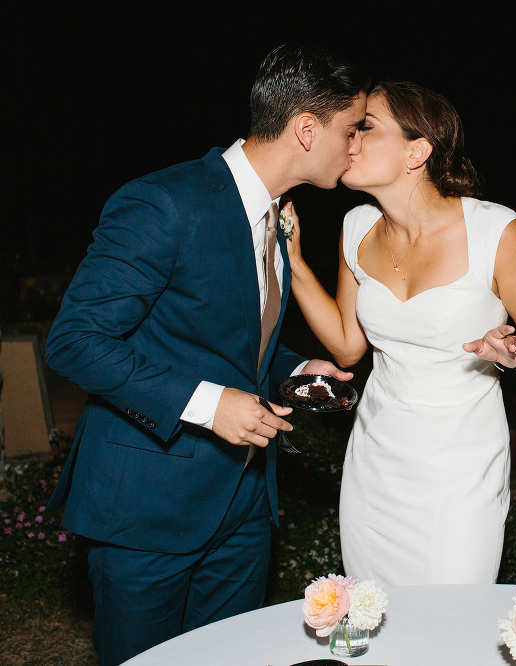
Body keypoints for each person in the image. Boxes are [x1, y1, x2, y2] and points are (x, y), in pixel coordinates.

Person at [43, 45, 368, 665]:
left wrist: (295, 368)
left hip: (243, 505)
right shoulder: (164, 203)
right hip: (148, 507)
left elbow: (229, 339)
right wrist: (208, 404)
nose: (354, 145)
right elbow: (76, 340)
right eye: (349, 130)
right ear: (306, 129)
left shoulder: (278, 218)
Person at [283, 81, 516, 585]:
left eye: (366, 128)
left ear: (418, 150)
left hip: (462, 460)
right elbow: (349, 344)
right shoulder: (356, 227)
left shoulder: (496, 231)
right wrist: (296, 262)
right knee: (372, 606)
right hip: (376, 453)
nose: (350, 139)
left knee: (452, 613)